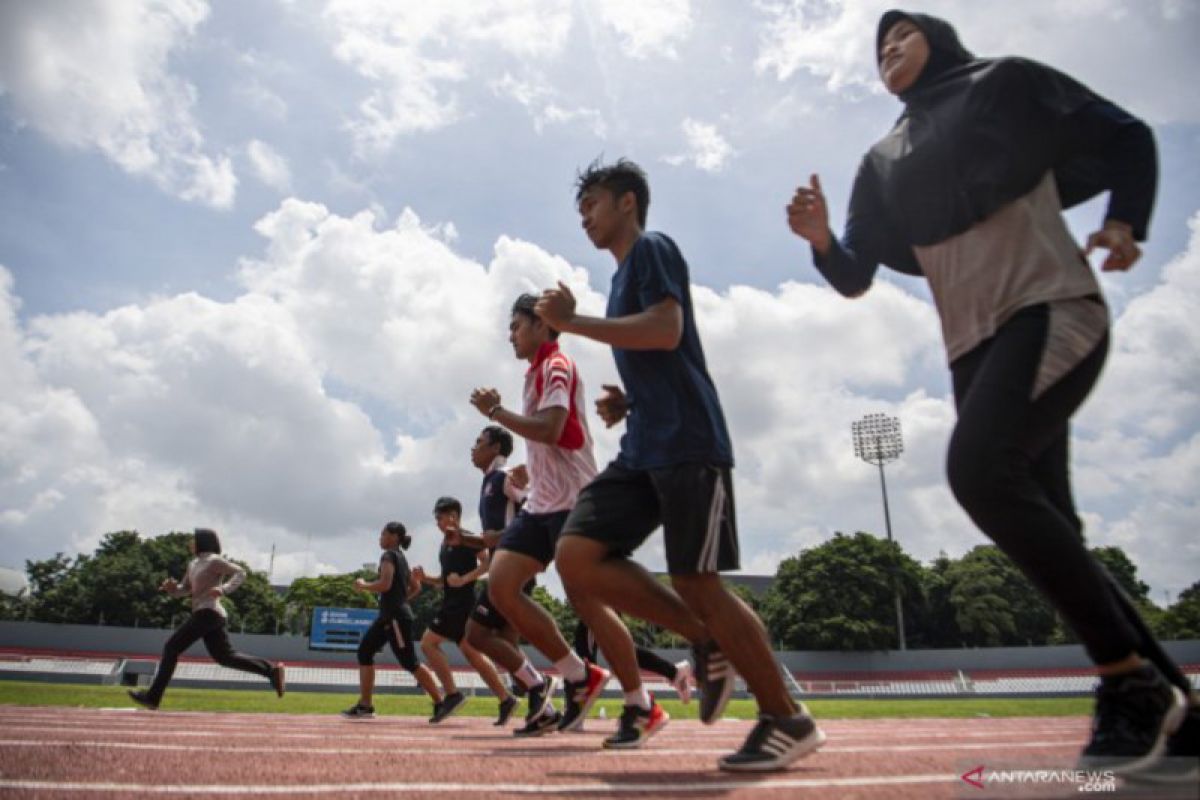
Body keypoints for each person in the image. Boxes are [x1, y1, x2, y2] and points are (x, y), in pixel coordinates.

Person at [784, 9, 1194, 775]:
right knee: (1055, 525)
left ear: (936, 36)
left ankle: (1125, 681)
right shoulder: (882, 159)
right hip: (969, 349)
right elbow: (854, 278)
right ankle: (1178, 703)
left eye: (901, 35)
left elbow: (1130, 134)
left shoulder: (1004, 83)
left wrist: (1125, 220)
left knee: (978, 473)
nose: (888, 51)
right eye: (877, 48)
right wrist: (819, 243)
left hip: (1048, 308)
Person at [540, 158, 823, 770]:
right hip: (645, 443)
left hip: (689, 440)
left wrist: (572, 324)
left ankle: (787, 717)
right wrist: (629, 398)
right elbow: (653, 349)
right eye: (580, 209)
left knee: (698, 581)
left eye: (592, 203)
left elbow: (668, 330)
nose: (584, 217)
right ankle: (702, 638)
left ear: (627, 204)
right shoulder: (619, 283)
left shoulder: (653, 249)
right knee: (577, 556)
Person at [467, 294, 633, 741]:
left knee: (589, 604)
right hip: (542, 501)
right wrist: (531, 468)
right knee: (502, 586)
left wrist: (496, 413)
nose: (510, 335)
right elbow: (544, 439)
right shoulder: (534, 373)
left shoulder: (557, 366)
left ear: (541, 326)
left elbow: (552, 429)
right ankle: (578, 674)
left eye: (517, 326)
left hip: (575, 500)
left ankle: (640, 702)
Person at [128, 528, 284, 710]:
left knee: (172, 647)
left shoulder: (214, 560)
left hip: (209, 612)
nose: (190, 543)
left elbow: (241, 572)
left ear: (202, 541)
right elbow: (185, 589)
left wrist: (224, 589)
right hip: (206, 614)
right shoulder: (193, 564)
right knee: (224, 657)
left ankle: (153, 697)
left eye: (193, 540)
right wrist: (172, 589)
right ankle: (271, 671)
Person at [414, 496, 513, 724]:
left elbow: (488, 563)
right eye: (436, 518)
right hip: (453, 603)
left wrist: (465, 579)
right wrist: (425, 578)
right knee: (471, 652)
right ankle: (505, 698)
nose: (437, 522)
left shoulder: (467, 538)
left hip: (461, 605)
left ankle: (452, 695)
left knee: (428, 643)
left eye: (440, 517)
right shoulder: (444, 544)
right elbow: (445, 580)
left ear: (453, 517)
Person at [463, 425, 530, 726]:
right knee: (506, 643)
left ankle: (554, 682)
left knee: (476, 635)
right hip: (505, 567)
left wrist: (500, 536)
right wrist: (463, 540)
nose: (473, 447)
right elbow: (490, 539)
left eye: (478, 442)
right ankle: (542, 703)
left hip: (515, 567)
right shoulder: (489, 481)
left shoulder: (504, 478)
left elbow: (536, 510)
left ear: (495, 449)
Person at [341, 521, 443, 720]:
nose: (380, 538)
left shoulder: (389, 555)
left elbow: (385, 584)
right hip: (388, 616)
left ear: (394, 537)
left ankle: (441, 702)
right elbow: (416, 588)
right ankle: (365, 705)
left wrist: (363, 585)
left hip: (395, 617)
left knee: (409, 662)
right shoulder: (402, 559)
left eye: (383, 534)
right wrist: (400, 600)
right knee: (365, 651)